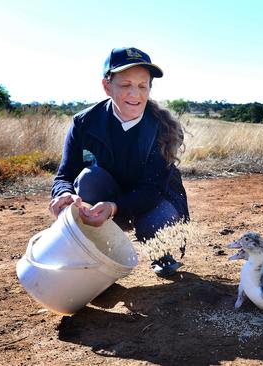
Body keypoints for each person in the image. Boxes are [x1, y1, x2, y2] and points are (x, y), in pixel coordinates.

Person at [49, 47, 189, 277]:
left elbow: (152, 190)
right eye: (125, 85)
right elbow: (64, 175)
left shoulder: (164, 129)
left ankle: (161, 251)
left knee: (158, 219)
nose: (135, 94)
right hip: (107, 195)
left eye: (142, 86)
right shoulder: (84, 123)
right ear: (107, 86)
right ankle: (100, 256)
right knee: (88, 179)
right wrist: (62, 194)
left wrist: (115, 207)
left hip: (153, 200)